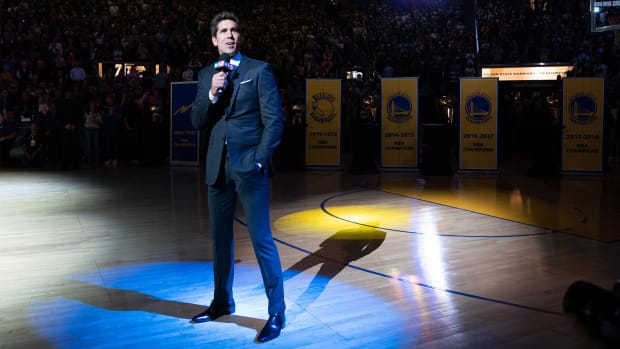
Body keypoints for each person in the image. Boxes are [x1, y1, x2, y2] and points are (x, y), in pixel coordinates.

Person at [190, 11, 285, 343]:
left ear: (238, 37)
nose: (230, 35)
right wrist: (213, 94)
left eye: (234, 30)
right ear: (214, 40)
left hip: (249, 167)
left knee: (261, 240)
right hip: (217, 167)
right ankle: (221, 302)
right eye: (223, 31)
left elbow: (275, 122)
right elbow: (197, 120)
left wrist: (259, 160)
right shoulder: (206, 75)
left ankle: (276, 313)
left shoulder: (259, 70)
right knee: (220, 241)